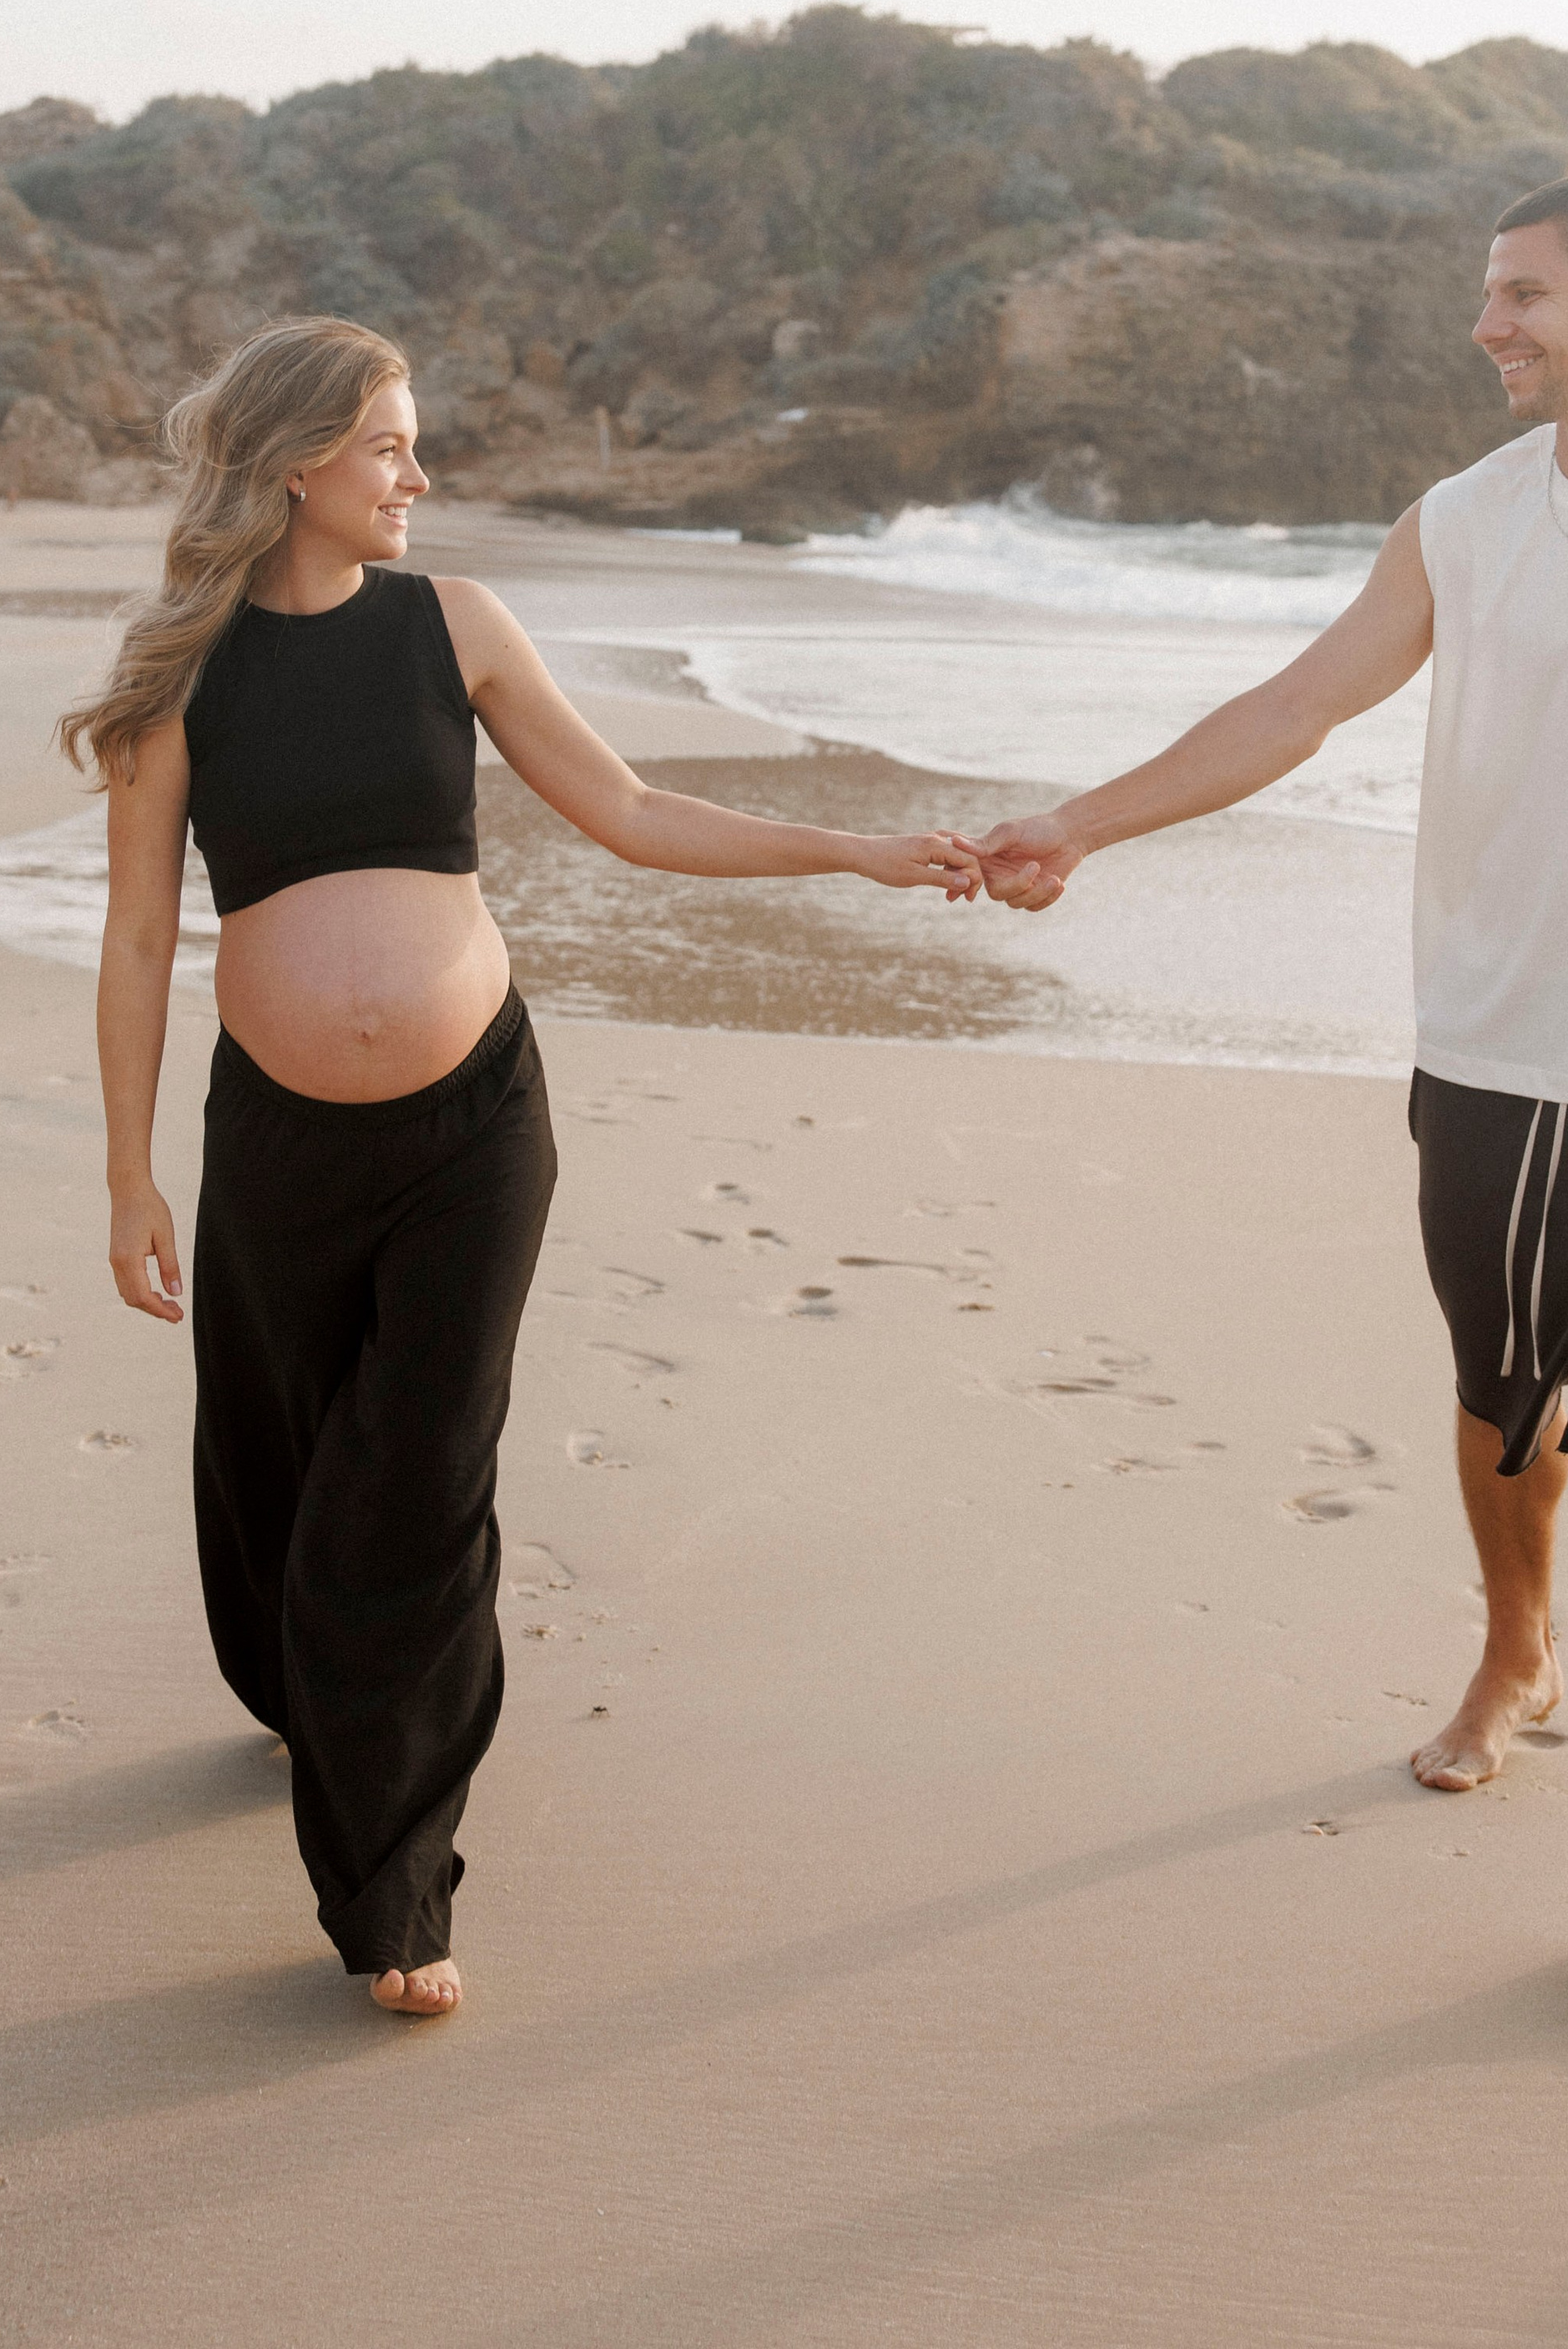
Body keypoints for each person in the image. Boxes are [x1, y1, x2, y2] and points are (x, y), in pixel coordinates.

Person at [971, 171, 1568, 2047]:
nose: (1489, 325)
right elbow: (1293, 707)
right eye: (1486, 294)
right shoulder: (1460, 524)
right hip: (1485, 1062)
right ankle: (1514, 1646)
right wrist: (1075, 819)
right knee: (1501, 1398)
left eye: (1522, 294)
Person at [62, 318, 980, 2018]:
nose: (421, 475)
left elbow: (631, 810)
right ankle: (294, 1685)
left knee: (413, 1483)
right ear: (295, 464)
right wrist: (127, 1176)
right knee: (273, 1459)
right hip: (272, 1134)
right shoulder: (182, 673)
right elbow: (132, 944)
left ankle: (394, 1890)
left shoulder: (453, 628)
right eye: (391, 446)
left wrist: (846, 849)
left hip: (473, 1130)